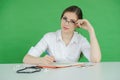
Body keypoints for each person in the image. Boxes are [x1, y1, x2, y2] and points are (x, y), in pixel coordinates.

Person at [23, 5, 101, 65]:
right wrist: (41, 60)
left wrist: (91, 30)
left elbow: (96, 60)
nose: (66, 23)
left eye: (72, 21)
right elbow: (26, 59)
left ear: (77, 25)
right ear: (61, 18)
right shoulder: (49, 37)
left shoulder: (81, 40)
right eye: (65, 18)